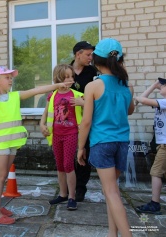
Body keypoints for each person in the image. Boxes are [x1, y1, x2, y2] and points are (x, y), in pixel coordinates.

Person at [0, 66, 73, 225]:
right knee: (0, 177)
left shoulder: (14, 96)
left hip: (11, 142)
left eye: (11, 77)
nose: (11, 80)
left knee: (4, 177)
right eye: (7, 77)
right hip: (0, 143)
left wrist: (56, 86)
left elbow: (36, 90)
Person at [77, 38, 134, 237]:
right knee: (112, 192)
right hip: (122, 143)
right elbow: (130, 111)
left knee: (110, 192)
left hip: (102, 143)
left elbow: (86, 122)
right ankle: (112, 234)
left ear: (96, 61)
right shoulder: (126, 85)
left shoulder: (93, 86)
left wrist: (80, 147)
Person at [40, 64, 83, 211]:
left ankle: (72, 196)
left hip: (71, 134)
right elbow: (46, 113)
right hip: (56, 135)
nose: (70, 79)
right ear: (58, 78)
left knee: (68, 165)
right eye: (66, 77)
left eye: (72, 76)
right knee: (59, 166)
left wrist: (83, 103)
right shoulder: (52, 95)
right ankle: (63, 194)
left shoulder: (77, 95)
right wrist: (41, 124)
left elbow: (90, 110)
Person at [134, 77, 166, 215]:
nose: (161, 86)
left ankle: (155, 204)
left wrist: (132, 95)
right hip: (163, 144)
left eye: (164, 85)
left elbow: (141, 99)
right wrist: (154, 86)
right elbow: (142, 98)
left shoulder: (165, 102)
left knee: (156, 172)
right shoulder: (162, 102)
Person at [70, 41, 98, 202]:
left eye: (92, 54)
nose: (91, 58)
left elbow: (100, 97)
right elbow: (54, 96)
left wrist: (85, 103)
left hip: (87, 121)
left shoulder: (93, 72)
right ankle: (67, 188)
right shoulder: (65, 71)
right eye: (88, 54)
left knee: (83, 154)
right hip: (68, 120)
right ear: (78, 54)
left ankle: (80, 188)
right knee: (68, 155)